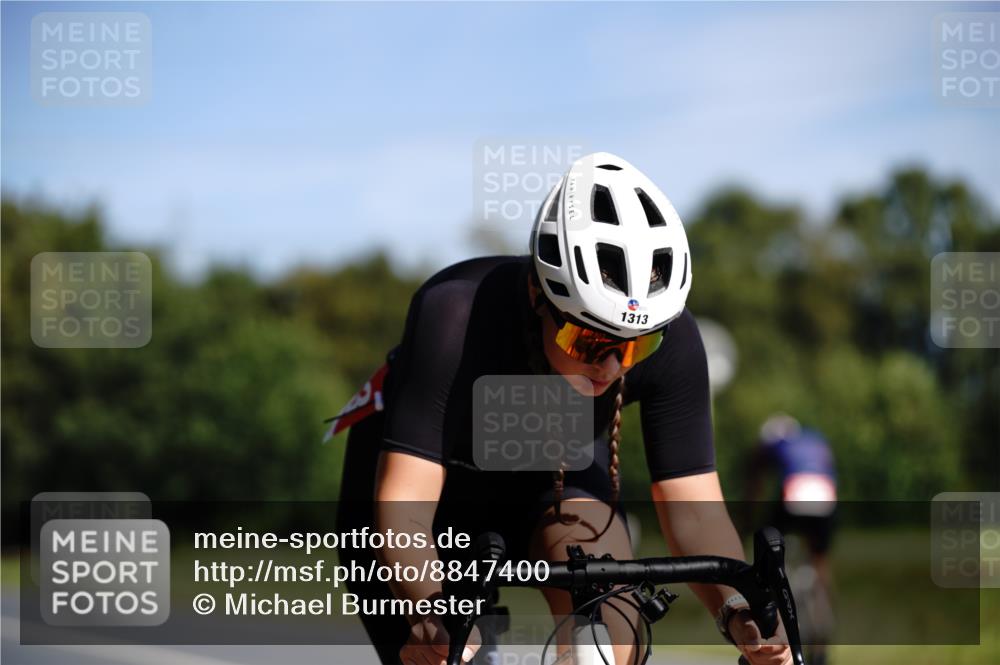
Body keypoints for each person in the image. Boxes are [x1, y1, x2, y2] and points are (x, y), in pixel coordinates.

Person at [333, 153, 792, 665]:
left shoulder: (675, 338)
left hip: (552, 469)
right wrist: (427, 611)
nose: (615, 365)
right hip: (422, 493)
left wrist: (736, 606)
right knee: (443, 654)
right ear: (538, 295)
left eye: (638, 347)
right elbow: (405, 503)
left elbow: (692, 508)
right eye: (590, 341)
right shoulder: (454, 314)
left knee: (610, 647)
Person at [747, 414, 837, 665]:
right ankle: (822, 634)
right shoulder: (814, 438)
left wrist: (749, 520)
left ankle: (772, 621)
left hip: (795, 493)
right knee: (821, 565)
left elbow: (756, 483)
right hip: (826, 495)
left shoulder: (773, 443)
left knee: (768, 547)